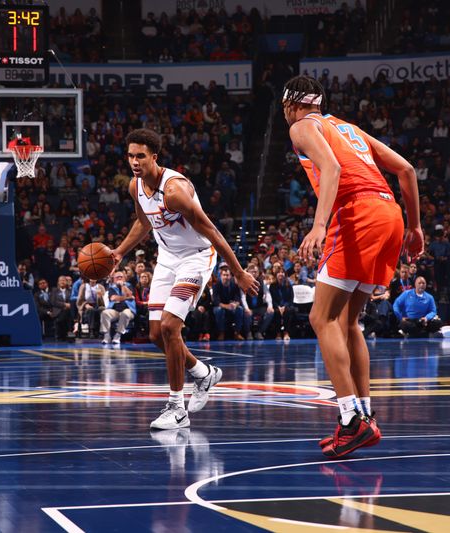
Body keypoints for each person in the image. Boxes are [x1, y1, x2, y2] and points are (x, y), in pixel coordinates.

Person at [282, 75, 422, 459]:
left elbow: (332, 169)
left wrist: (319, 224)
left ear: (289, 105)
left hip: (357, 213)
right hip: (389, 213)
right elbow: (406, 170)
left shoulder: (301, 126)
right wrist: (415, 226)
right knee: (348, 322)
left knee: (321, 318)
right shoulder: (346, 126)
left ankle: (349, 420)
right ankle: (365, 415)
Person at [111, 128, 257, 430]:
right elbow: (144, 223)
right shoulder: (135, 186)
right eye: (130, 156)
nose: (135, 161)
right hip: (167, 258)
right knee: (155, 335)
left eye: (141, 156)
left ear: (154, 156)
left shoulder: (175, 190)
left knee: (169, 326)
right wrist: (119, 252)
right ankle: (203, 373)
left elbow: (214, 232)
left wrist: (240, 272)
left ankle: (177, 408)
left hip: (197, 256)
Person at [100, 270, 137, 344]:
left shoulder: (129, 285)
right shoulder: (112, 288)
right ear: (114, 279)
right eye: (117, 277)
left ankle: (118, 335)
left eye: (121, 277)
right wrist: (126, 298)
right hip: (115, 311)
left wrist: (123, 286)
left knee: (125, 314)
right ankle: (107, 336)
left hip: (128, 309)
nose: (119, 278)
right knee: (105, 313)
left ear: (124, 278)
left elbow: (130, 295)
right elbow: (113, 298)